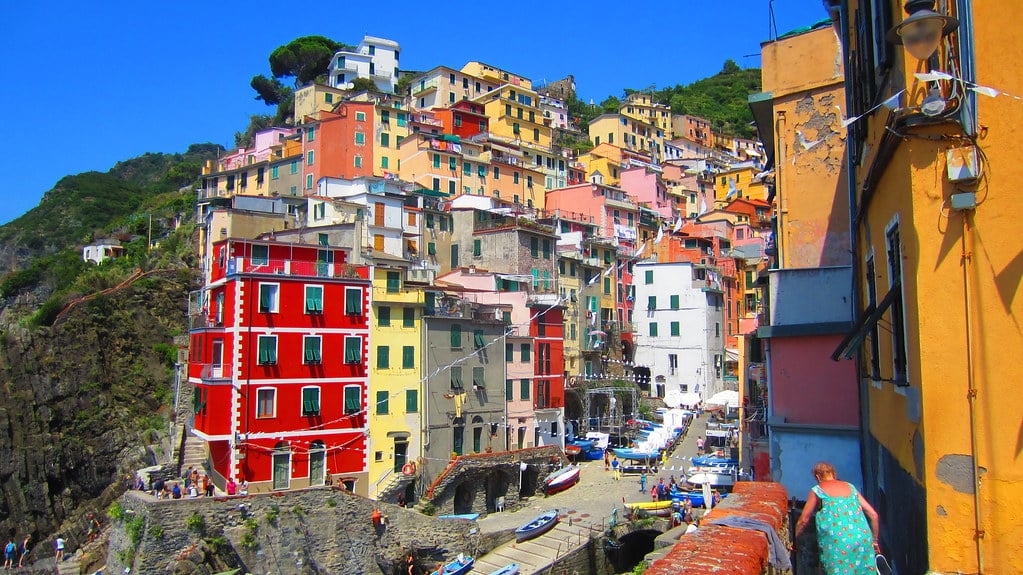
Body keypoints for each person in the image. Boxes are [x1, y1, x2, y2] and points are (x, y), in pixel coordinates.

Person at [795, 461, 880, 575]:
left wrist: (795, 540)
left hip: (837, 542)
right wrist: (874, 541)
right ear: (834, 474)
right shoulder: (851, 487)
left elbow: (804, 520)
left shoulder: (817, 490)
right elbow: (873, 515)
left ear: (818, 477)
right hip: (862, 539)